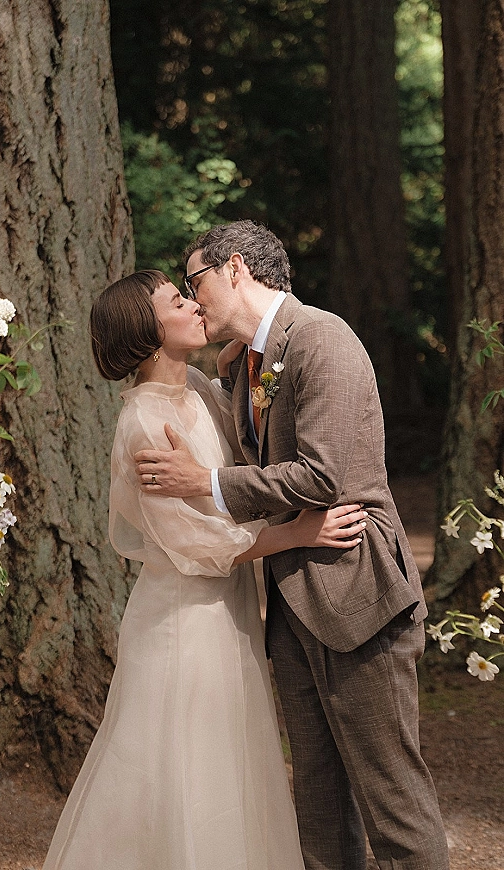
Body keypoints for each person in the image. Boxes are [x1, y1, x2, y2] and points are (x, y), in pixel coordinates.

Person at [134, 223, 450, 870]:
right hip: (291, 608)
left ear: (236, 269)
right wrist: (227, 386)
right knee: (321, 815)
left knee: (395, 810)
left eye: (195, 282)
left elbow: (325, 475)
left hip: (356, 596)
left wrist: (208, 484)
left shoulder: (321, 339)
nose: (194, 302)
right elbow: (263, 444)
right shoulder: (254, 359)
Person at [42, 269, 367, 870]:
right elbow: (196, 545)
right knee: (187, 774)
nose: (193, 304)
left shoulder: (194, 386)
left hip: (229, 613)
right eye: (176, 301)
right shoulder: (141, 422)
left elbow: (235, 465)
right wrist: (297, 533)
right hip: (184, 622)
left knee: (232, 767)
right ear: (148, 331)